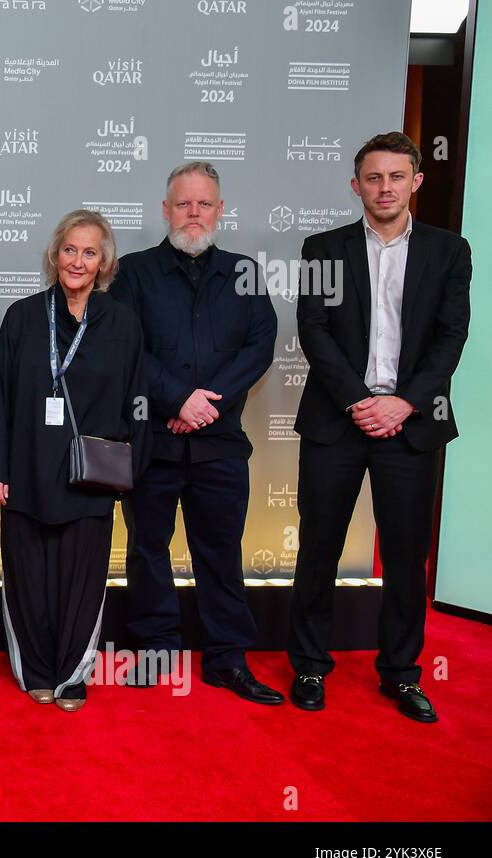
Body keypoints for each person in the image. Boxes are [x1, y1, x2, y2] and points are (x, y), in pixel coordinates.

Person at [289, 132, 470, 723]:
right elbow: (313, 331)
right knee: (318, 547)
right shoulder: (322, 248)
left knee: (405, 553)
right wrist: (360, 402)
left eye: (396, 176)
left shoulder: (449, 251)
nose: (385, 187)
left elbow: (451, 338)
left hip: (411, 426)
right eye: (373, 177)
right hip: (337, 422)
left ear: (416, 181)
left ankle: (400, 672)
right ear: (356, 185)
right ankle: (310, 665)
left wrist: (404, 404)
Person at [110, 162, 283, 705]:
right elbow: (126, 345)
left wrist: (206, 404)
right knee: (147, 551)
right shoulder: (133, 273)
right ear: (165, 210)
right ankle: (154, 649)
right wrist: (176, 400)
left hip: (220, 446)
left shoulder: (244, 272)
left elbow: (259, 344)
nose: (193, 213)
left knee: (220, 552)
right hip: (153, 444)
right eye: (183, 204)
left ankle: (227, 659)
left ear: (220, 210)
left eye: (203, 204)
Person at [0, 210, 149, 710]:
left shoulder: (122, 322)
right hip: (27, 468)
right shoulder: (24, 316)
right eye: (69, 250)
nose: (78, 261)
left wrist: (130, 469)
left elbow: (138, 399)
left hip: (91, 476)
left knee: (81, 577)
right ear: (55, 257)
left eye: (90, 252)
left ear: (104, 263)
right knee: (27, 571)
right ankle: (35, 668)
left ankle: (73, 673)